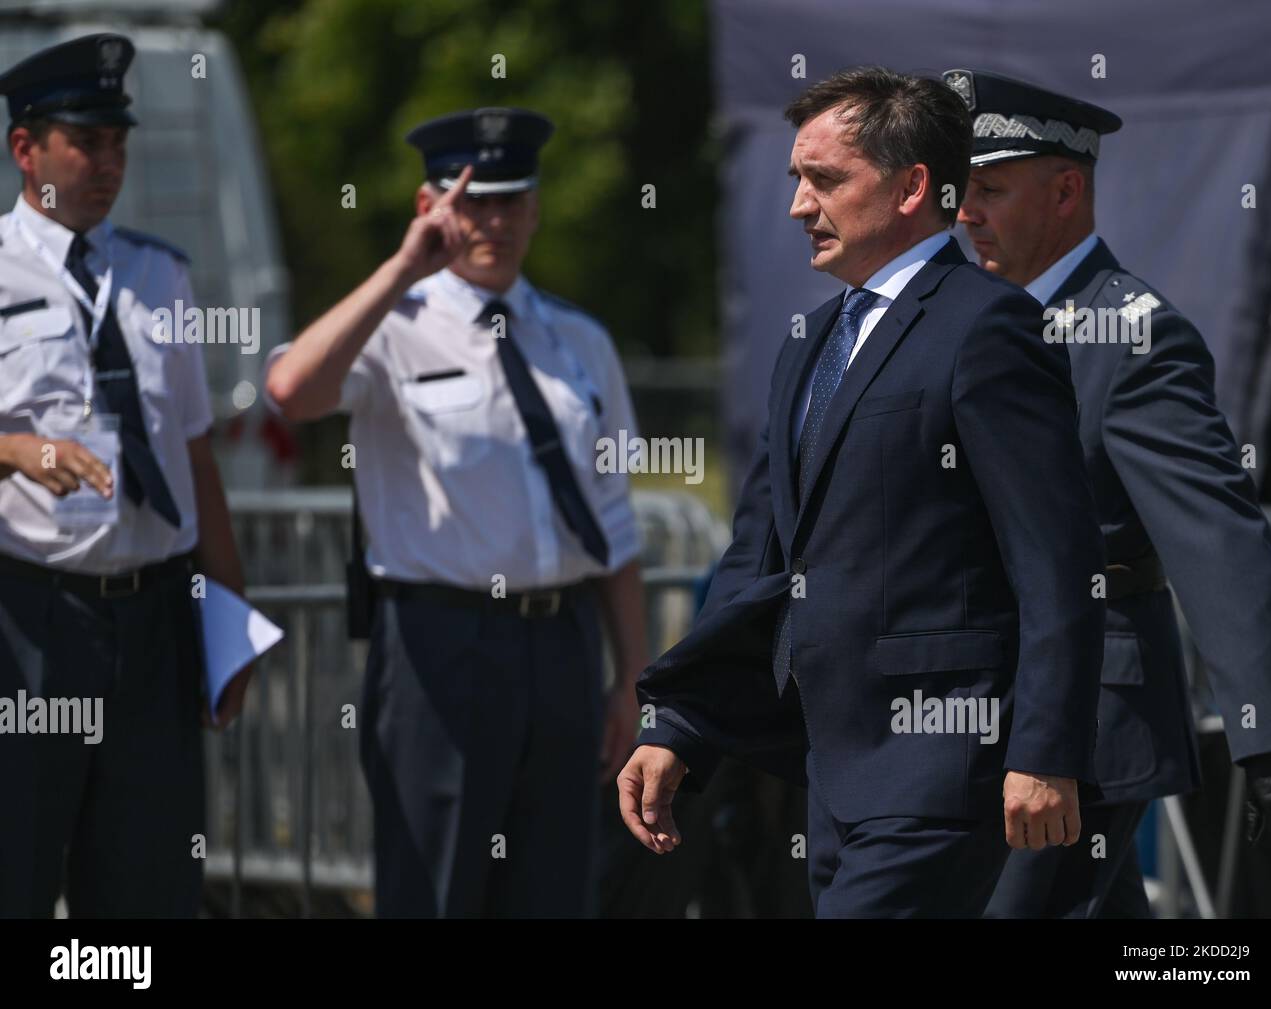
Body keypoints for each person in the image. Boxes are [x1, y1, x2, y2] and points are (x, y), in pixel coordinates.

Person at [619, 66, 1107, 917]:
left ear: (913, 185)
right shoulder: (808, 342)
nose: (799, 207)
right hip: (829, 774)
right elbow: (758, 554)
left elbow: (1057, 557)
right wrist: (680, 723)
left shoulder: (987, 325)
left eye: (826, 180)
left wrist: (1045, 750)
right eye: (796, 181)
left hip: (942, 771)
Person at [264, 107, 646, 917]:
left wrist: (630, 678)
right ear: (431, 206)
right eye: (474, 202)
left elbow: (614, 521)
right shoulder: (392, 326)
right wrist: (402, 268)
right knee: (435, 888)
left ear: (537, 206)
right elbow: (293, 391)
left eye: (512, 200)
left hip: (565, 644)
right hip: (443, 645)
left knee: (554, 890)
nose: (495, 221)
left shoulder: (580, 342)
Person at [949, 68, 1271, 917]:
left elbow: (1214, 539)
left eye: (990, 188)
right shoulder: (967, 320)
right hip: (979, 716)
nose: (965, 213)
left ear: (1067, 188)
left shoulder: (1132, 335)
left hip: (1088, 727)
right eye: (960, 190)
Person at [0, 33, 248, 917]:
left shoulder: (158, 274)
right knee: (20, 860)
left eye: (119, 143)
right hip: (34, 615)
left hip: (152, 617)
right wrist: (16, 450)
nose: (110, 163)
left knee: (146, 876)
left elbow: (192, 454)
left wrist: (228, 614)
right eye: (86, 142)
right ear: (26, 147)